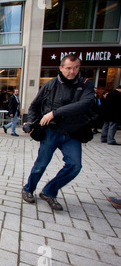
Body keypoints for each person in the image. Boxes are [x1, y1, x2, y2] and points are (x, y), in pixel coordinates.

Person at [22, 54, 95, 211]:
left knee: (75, 165)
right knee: (41, 165)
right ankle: (28, 189)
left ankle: (49, 191)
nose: (72, 71)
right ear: (61, 68)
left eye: (76, 68)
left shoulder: (85, 85)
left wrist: (55, 113)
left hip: (72, 133)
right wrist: (30, 122)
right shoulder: (50, 85)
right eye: (68, 68)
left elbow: (85, 104)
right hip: (51, 132)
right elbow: (35, 106)